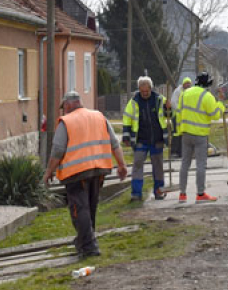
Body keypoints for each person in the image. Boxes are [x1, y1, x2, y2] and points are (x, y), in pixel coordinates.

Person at [43, 91, 128, 259]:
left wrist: (48, 171)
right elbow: (114, 143)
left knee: (79, 209)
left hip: (76, 172)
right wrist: (122, 164)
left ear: (68, 104)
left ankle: (89, 247)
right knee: (90, 207)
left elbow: (58, 150)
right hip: (99, 169)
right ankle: (85, 240)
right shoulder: (99, 117)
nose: (64, 110)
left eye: (64, 107)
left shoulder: (66, 122)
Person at [177, 72, 225, 203]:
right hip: (200, 135)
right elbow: (215, 115)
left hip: (185, 133)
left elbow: (179, 113)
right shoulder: (207, 96)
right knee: (200, 165)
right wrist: (220, 103)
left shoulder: (184, 93)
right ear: (208, 84)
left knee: (184, 164)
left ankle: (182, 194)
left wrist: (180, 130)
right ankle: (200, 194)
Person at [122, 76, 170, 201]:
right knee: (137, 165)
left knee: (158, 167)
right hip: (140, 140)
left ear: (150, 88)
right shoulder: (133, 102)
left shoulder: (160, 99)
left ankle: (159, 191)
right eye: (142, 91)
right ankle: (136, 194)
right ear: (139, 89)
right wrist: (126, 136)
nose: (144, 93)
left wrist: (168, 108)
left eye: (146, 91)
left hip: (157, 139)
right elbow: (127, 118)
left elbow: (170, 115)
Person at [170, 77, 193, 159]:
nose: (188, 85)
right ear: (183, 84)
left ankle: (181, 152)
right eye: (187, 83)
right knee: (176, 134)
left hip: (184, 117)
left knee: (183, 134)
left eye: (189, 84)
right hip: (177, 116)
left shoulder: (189, 92)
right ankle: (174, 152)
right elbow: (173, 102)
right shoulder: (178, 91)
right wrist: (180, 111)